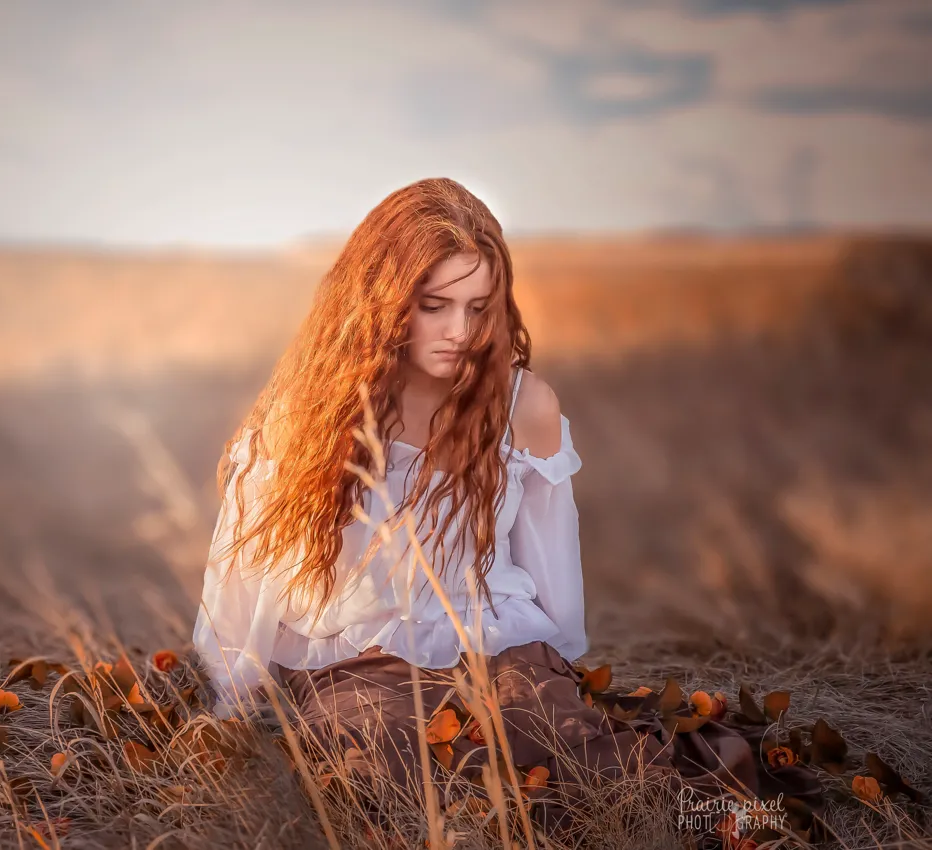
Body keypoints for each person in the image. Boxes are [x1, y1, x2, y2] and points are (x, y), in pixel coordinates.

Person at [191, 178, 816, 832]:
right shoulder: (311, 409)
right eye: (434, 306)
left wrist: (558, 678)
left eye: (478, 307)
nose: (459, 331)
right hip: (352, 656)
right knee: (391, 769)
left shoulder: (524, 406)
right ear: (380, 300)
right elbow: (247, 569)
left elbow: (550, 560)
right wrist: (232, 697)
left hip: (496, 641)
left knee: (577, 763)